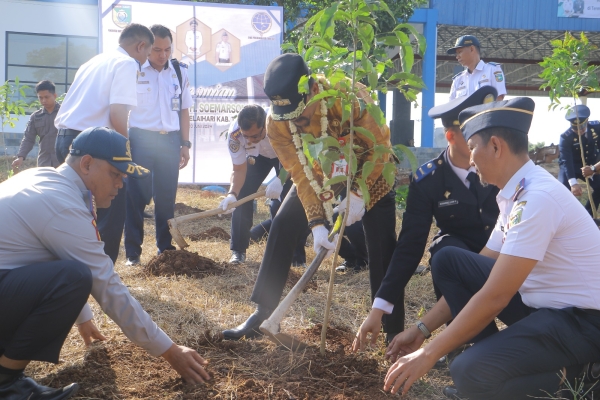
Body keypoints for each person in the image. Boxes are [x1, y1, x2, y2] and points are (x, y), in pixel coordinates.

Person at [382, 97, 600, 400]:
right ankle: (496, 361)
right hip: (548, 308)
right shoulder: (514, 195)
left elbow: (496, 295)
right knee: (449, 261)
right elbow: (480, 272)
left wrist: (428, 354)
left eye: (473, 147)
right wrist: (421, 330)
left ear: (496, 146)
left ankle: (586, 379)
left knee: (469, 372)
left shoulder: (536, 199)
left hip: (584, 321)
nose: (470, 159)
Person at [0, 127, 209, 400]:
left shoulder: (42, 177)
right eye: (115, 174)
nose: (121, 184)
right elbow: (107, 286)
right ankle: (6, 382)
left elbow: (47, 254)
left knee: (73, 274)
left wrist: (83, 317)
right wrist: (169, 350)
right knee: (76, 276)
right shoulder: (62, 205)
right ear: (86, 163)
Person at [222, 53, 400, 341]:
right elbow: (300, 172)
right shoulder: (276, 123)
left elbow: (377, 145)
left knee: (381, 247)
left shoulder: (348, 96)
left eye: (301, 116)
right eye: (290, 118)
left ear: (314, 90)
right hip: (319, 171)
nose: (298, 124)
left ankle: (393, 329)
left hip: (371, 170)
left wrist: (356, 194)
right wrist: (317, 223)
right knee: (282, 225)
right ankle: (262, 312)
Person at [353, 86, 500, 354]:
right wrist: (379, 307)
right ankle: (466, 343)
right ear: (451, 136)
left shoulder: (501, 166)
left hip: (507, 255)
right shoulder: (429, 180)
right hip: (463, 258)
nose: (486, 139)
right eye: (474, 134)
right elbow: (410, 246)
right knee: (444, 251)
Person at [54, 23, 154, 264]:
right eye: (148, 54)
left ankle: (71, 268)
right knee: (111, 207)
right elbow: (118, 114)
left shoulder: (94, 61)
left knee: (72, 212)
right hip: (94, 148)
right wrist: (125, 157)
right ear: (140, 46)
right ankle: (103, 273)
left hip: (65, 140)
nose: (146, 60)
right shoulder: (127, 63)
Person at [124, 24, 193, 266]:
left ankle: (165, 249)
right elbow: (122, 108)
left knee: (166, 198)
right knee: (136, 196)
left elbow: (184, 109)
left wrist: (185, 143)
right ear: (146, 48)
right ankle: (133, 253)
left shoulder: (179, 70)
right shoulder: (133, 69)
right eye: (157, 50)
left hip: (170, 141)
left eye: (167, 49)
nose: (163, 55)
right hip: (141, 139)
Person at [219, 104, 285, 264]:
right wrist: (232, 194)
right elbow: (239, 169)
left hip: (285, 155)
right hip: (258, 156)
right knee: (241, 197)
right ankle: (238, 251)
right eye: (246, 136)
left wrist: (281, 179)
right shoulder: (235, 135)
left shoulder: (280, 124)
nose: (249, 140)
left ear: (265, 125)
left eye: (254, 136)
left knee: (285, 202)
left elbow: (295, 156)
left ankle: (290, 254)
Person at [558, 104, 600, 217]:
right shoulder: (565, 137)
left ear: (587, 121)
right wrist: (573, 184)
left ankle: (588, 215)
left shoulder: (597, 128)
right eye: (575, 128)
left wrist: (594, 168)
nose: (579, 130)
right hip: (571, 165)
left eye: (582, 127)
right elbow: (567, 161)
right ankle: (565, 217)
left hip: (591, 164)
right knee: (561, 190)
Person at [12, 80, 60, 169]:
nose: (43, 100)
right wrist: (21, 156)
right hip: (44, 162)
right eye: (40, 98)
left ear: (54, 96)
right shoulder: (36, 117)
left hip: (62, 162)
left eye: (46, 97)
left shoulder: (65, 113)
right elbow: (28, 138)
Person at [448, 35, 506, 101]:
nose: (457, 57)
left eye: (460, 52)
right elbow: (451, 106)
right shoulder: (457, 80)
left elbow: (499, 99)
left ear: (472, 49)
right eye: (456, 54)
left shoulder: (493, 70)